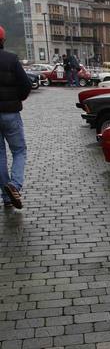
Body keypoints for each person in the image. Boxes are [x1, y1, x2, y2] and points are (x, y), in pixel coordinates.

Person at [0, 25, 31, 210]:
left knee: (0, 155)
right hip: (10, 114)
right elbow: (26, 85)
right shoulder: (11, 59)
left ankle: (6, 197)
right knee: (19, 150)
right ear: (3, 40)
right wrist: (17, 98)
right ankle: (15, 185)